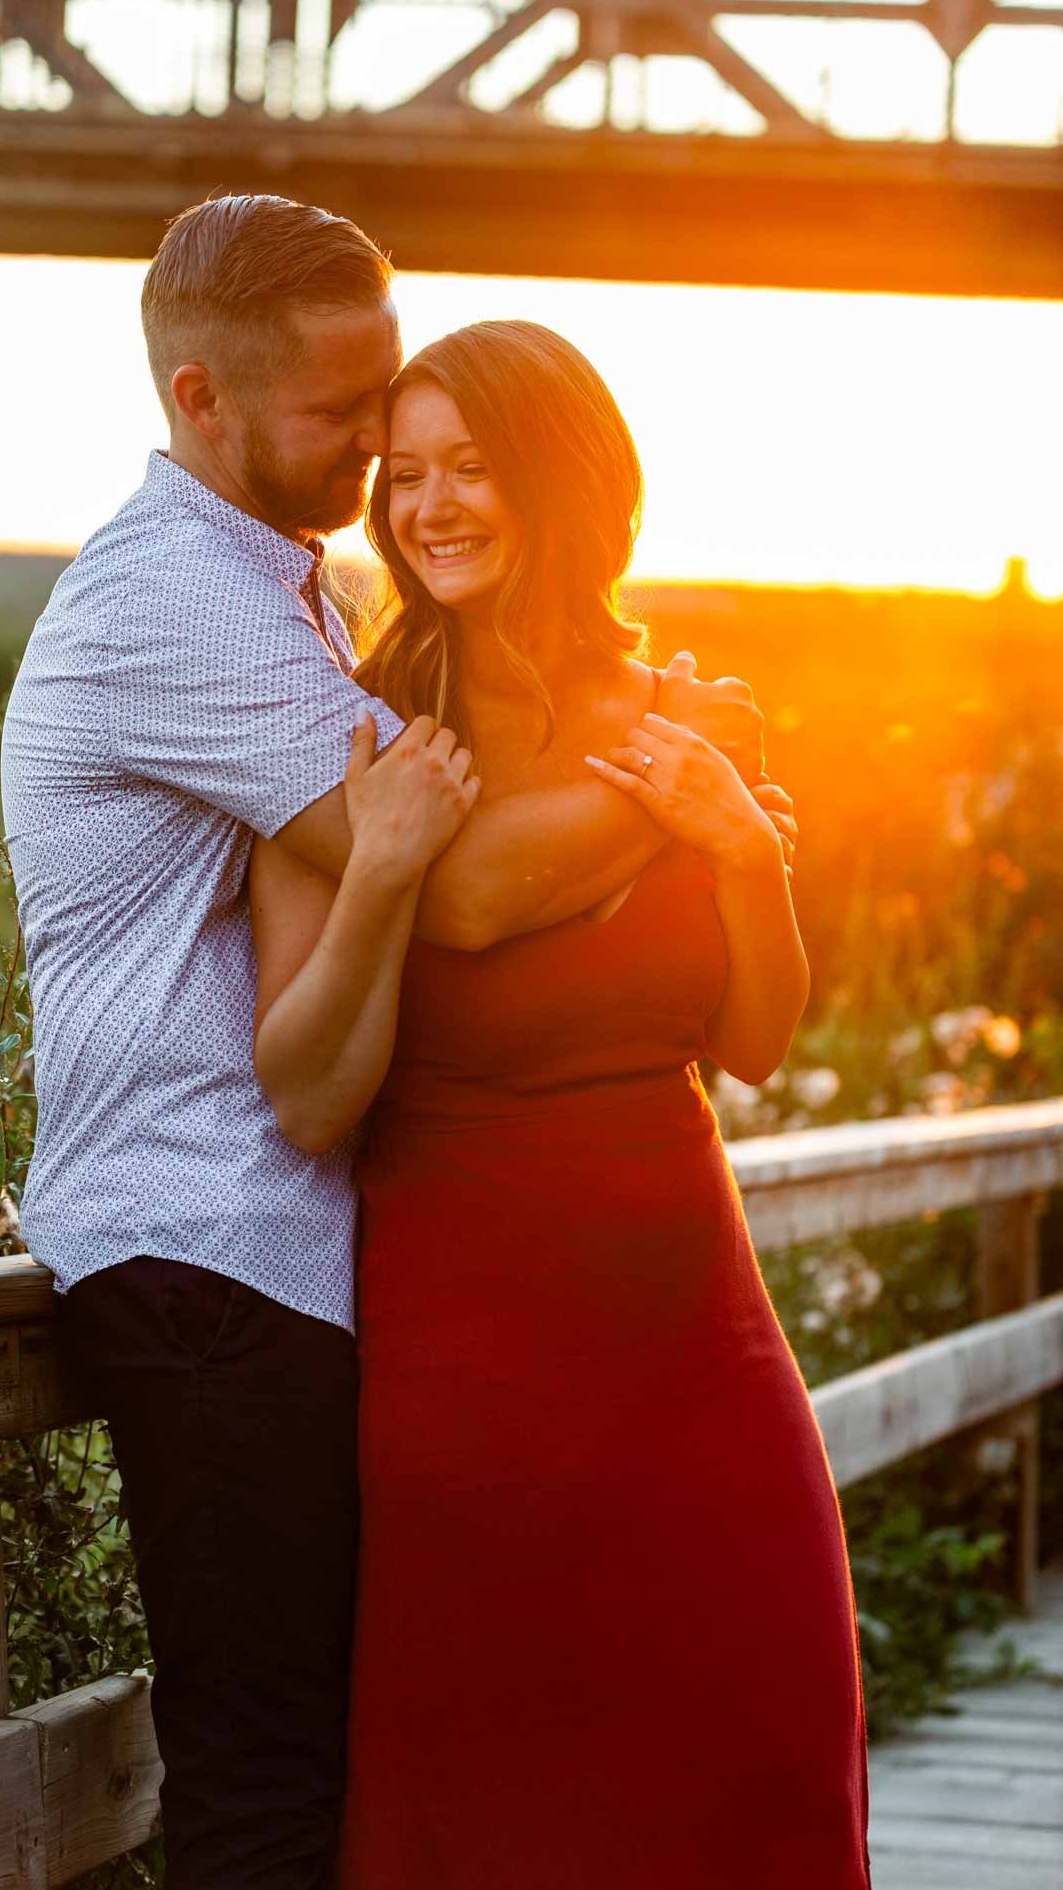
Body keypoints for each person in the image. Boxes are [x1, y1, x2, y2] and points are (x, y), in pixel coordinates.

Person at [1, 193, 772, 1890]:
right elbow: (473, 890)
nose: (375, 446)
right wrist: (681, 768)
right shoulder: (180, 606)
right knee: (266, 1785)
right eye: (342, 410)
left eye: (388, 400)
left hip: (274, 1253)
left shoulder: (287, 597)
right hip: (209, 1250)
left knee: (328, 1765)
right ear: (200, 399)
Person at [249, 320, 871, 1887]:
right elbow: (375, 999)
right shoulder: (350, 731)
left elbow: (752, 1037)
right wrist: (431, 852)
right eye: (405, 475)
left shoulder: (677, 711)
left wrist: (746, 856)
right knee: (502, 1805)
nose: (428, 506)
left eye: (471, 468)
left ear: (563, 481)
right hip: (470, 1371)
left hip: (698, 1356)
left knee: (747, 1779)